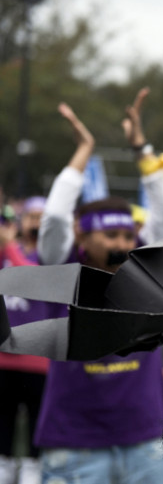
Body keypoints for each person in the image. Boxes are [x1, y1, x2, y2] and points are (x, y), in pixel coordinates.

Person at [34, 90, 163, 484]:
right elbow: (53, 219)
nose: (122, 244)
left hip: (146, 443)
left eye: (127, 234)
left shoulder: (146, 271)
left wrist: (140, 147)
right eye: (110, 235)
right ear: (83, 235)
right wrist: (84, 150)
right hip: (75, 445)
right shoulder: (60, 272)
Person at [0, 207, 51, 484]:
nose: (35, 222)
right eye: (31, 216)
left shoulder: (50, 254)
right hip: (4, 356)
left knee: (34, 417)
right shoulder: (8, 252)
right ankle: (5, 463)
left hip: (36, 357)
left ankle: (32, 465)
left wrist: (9, 247)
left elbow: (32, 279)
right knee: (4, 416)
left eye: (41, 218)